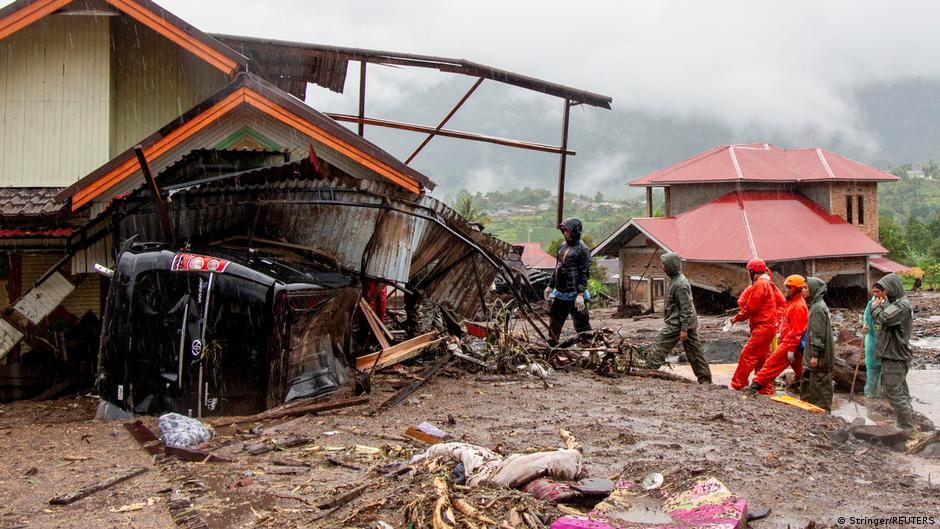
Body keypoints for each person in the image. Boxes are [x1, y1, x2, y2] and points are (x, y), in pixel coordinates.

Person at [644, 252, 712, 384]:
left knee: (660, 341)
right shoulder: (675, 280)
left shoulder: (680, 284)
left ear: (671, 266)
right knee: (694, 351)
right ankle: (705, 379)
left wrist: (684, 329)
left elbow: (686, 307)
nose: (662, 267)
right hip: (684, 322)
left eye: (664, 265)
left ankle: (649, 369)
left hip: (678, 323)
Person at [727, 259, 786, 390]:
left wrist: (735, 319)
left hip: (763, 327)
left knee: (747, 356)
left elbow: (751, 307)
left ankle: (738, 385)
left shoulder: (760, 285)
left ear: (752, 271)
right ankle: (764, 389)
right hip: (768, 327)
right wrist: (775, 319)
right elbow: (780, 303)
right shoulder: (767, 284)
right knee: (762, 359)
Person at [748, 275, 809, 395]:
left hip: (790, 344)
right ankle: (810, 393)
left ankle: (753, 389)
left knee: (770, 365)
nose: (786, 290)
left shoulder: (798, 306)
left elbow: (797, 331)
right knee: (803, 372)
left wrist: (790, 348)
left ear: (796, 289)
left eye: (789, 288)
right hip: (791, 343)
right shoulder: (794, 303)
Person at [870, 273, 915, 430]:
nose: (884, 294)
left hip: (896, 355)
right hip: (894, 353)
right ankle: (907, 423)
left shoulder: (902, 306)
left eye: (885, 290)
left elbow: (884, 319)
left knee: (892, 390)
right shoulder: (897, 304)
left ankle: (907, 427)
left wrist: (875, 307)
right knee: (900, 391)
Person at [544, 218, 591, 346]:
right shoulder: (562, 247)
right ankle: (552, 351)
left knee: (583, 327)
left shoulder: (583, 250)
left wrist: (580, 295)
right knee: (554, 325)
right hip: (560, 294)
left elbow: (584, 273)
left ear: (575, 232)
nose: (565, 234)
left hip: (575, 295)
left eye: (567, 231)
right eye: (563, 231)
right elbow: (557, 268)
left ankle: (589, 351)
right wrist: (550, 286)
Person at [800, 277, 834, 411]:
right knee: (810, 385)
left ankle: (822, 414)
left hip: (820, 358)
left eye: (805, 288)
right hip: (817, 357)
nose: (802, 290)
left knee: (820, 389)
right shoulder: (816, 306)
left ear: (813, 289)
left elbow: (817, 334)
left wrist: (815, 355)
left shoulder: (818, 308)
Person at [862, 285, 883, 398]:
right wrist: (865, 327)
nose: (875, 294)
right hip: (872, 340)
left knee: (884, 372)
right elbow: (866, 319)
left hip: (884, 342)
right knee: (871, 369)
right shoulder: (871, 304)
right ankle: (869, 397)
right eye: (874, 291)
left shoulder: (889, 305)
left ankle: (881, 396)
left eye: (877, 291)